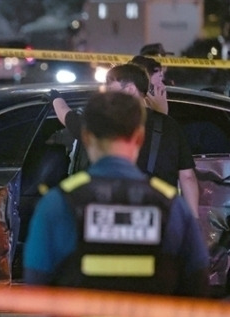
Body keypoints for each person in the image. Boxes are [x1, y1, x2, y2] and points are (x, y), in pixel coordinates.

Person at [24, 91, 209, 317]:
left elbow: (36, 284)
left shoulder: (60, 203)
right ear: (138, 136)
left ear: (85, 135)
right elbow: (198, 282)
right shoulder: (170, 205)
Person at [50, 63, 200, 219]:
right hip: (161, 219)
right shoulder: (169, 125)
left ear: (130, 90)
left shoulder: (106, 123)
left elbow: (67, 117)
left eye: (111, 92)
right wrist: (194, 220)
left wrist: (55, 98)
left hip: (112, 219)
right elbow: (187, 177)